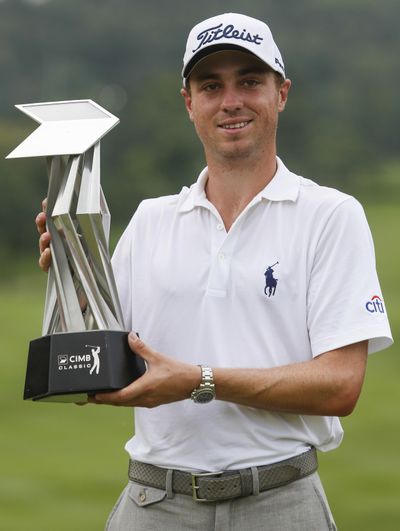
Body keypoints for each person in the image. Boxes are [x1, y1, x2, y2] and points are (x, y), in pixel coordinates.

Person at [36, 12, 393, 531]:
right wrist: (73, 281)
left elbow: (340, 384)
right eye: (211, 85)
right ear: (189, 103)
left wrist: (199, 381)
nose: (231, 101)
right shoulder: (151, 220)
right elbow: (102, 356)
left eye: (250, 81)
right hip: (153, 503)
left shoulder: (331, 215)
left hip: (280, 501)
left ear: (282, 93)